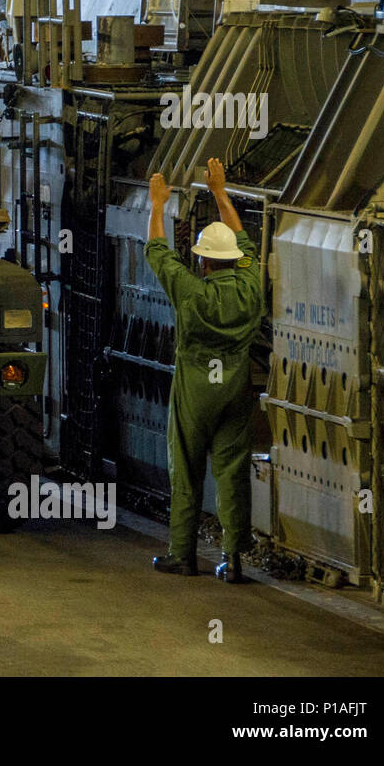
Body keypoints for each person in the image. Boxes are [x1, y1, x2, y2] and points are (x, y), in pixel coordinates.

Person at [146, 158, 264, 583]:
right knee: (233, 471)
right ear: (232, 259)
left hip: (196, 386)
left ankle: (183, 554)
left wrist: (158, 206)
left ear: (203, 262)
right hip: (235, 384)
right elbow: (247, 244)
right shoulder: (251, 284)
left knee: (187, 465)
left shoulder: (191, 291)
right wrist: (220, 192)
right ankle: (233, 560)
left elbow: (158, 253)